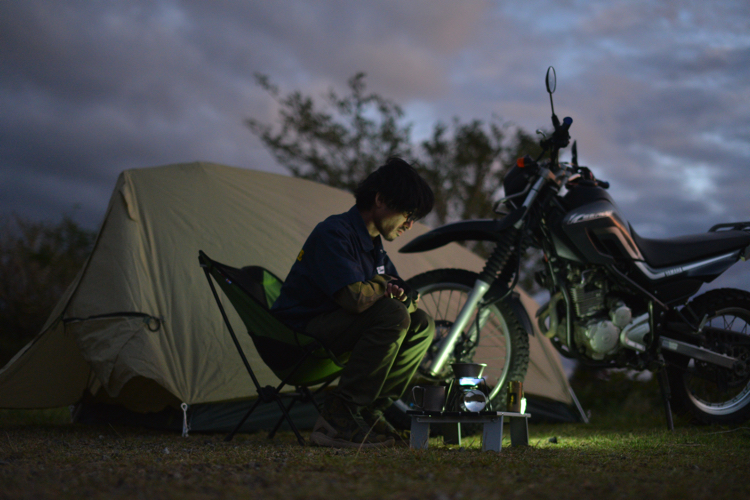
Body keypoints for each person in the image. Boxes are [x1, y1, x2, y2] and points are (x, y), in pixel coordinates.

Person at [271, 157, 435, 448]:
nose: (410, 225)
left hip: (336, 330)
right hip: (297, 337)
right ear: (380, 199)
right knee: (393, 315)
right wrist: (388, 290)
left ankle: (370, 411)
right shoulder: (334, 233)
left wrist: (394, 293)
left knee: (423, 324)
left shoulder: (374, 247)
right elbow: (355, 300)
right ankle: (338, 416)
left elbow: (402, 295)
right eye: (407, 214)